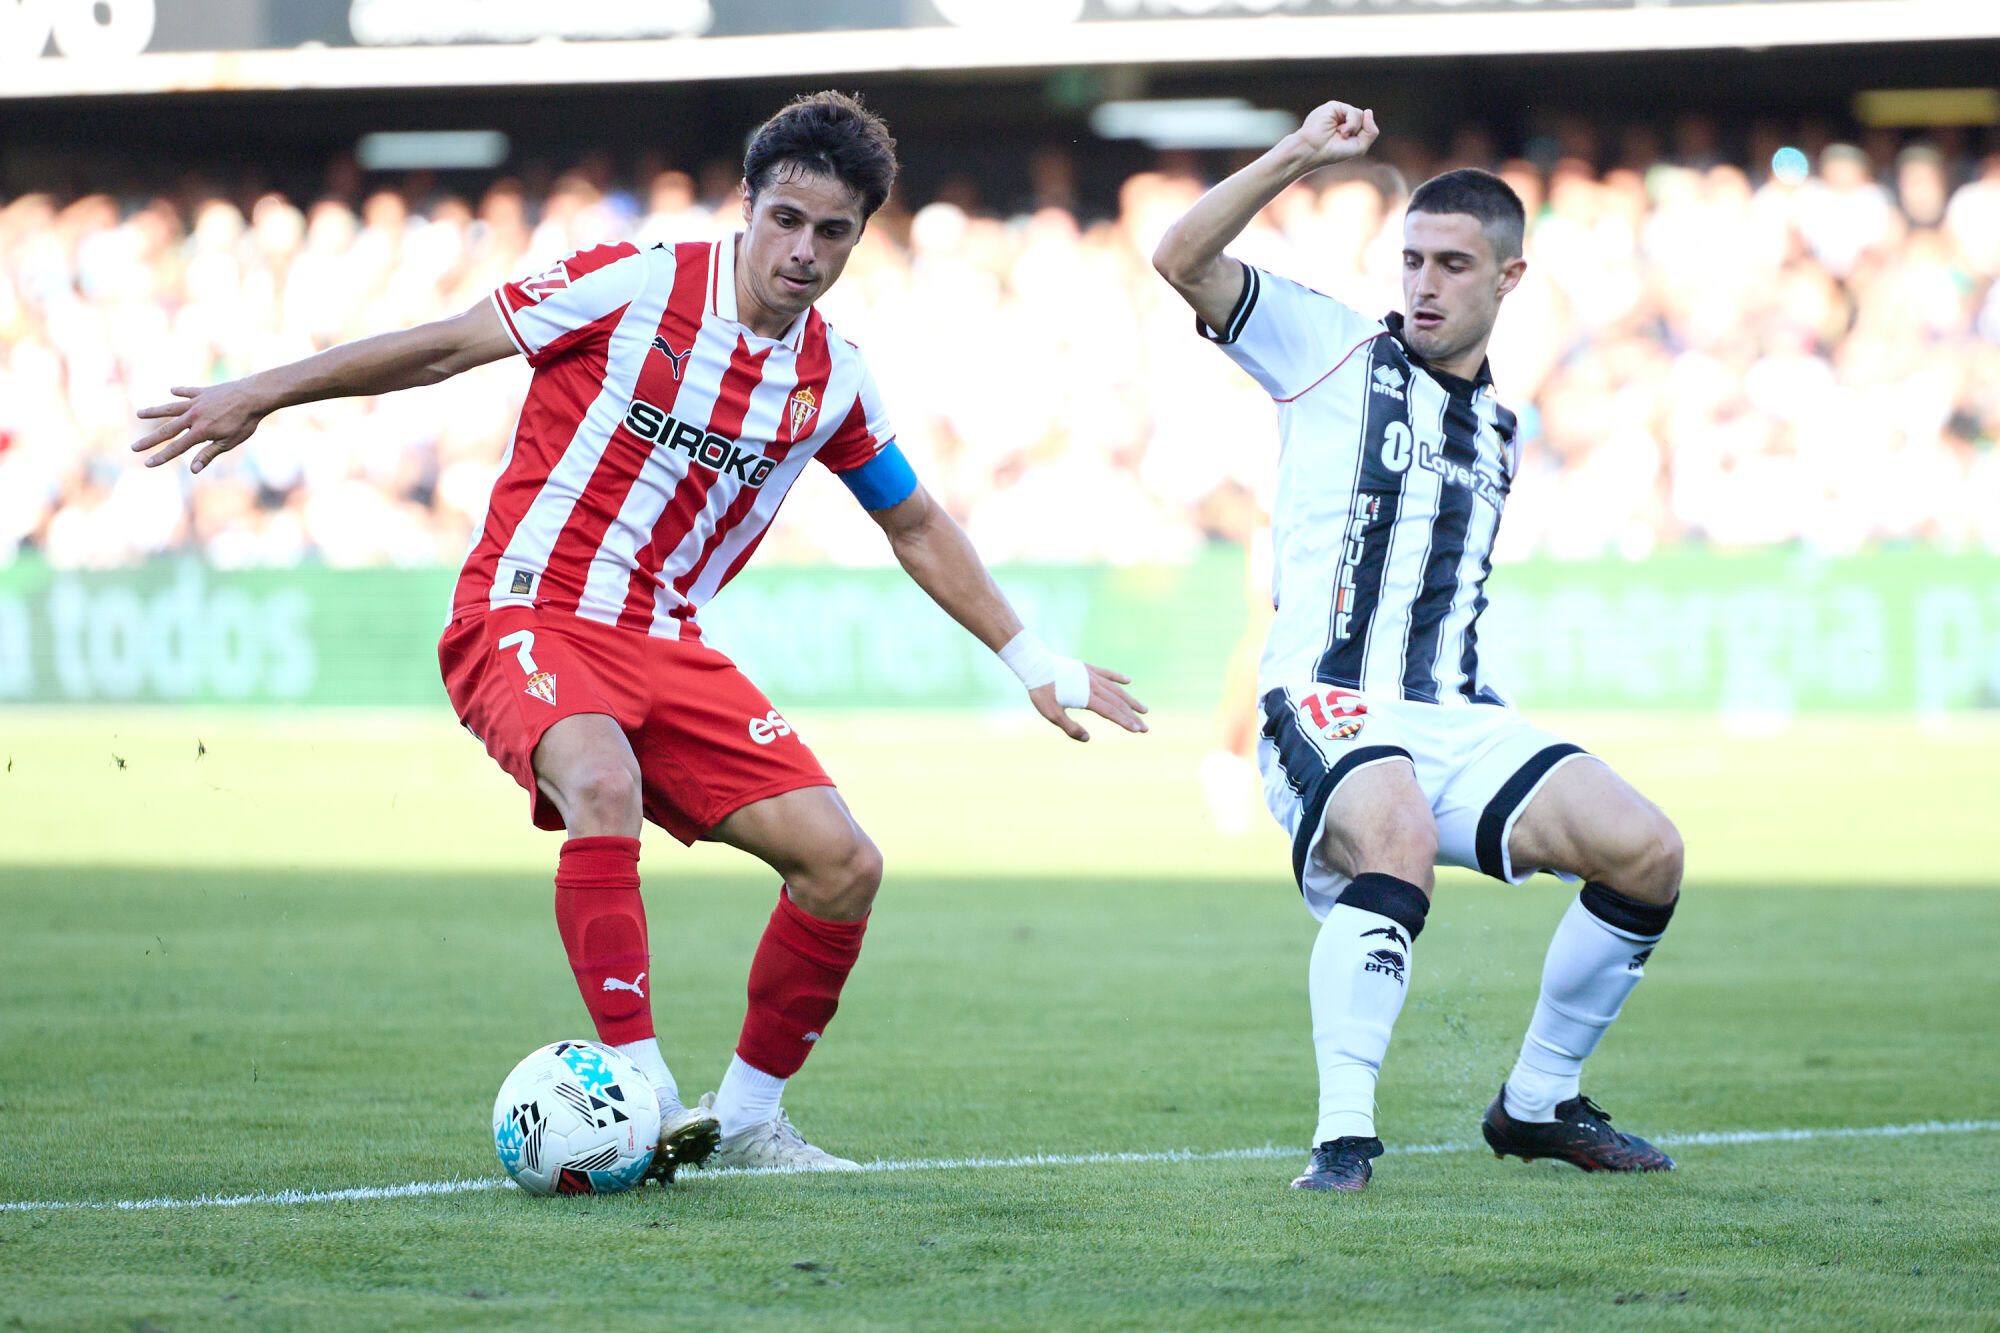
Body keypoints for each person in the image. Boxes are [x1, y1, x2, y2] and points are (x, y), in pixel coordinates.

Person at [131, 91, 1147, 1178]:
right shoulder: (637, 282)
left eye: (833, 232)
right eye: (786, 220)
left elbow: (912, 521)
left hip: (665, 641)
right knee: (600, 783)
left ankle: (751, 1120)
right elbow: (443, 349)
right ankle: (640, 1090)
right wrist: (263, 393)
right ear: (746, 205)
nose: (803, 251)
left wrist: (1034, 661)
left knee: (842, 863)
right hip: (526, 605)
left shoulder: (830, 379)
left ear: (861, 237)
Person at [1152, 99, 1683, 1192]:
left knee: (1645, 852)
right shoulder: (1326, 345)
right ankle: (1342, 1140)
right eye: (1410, 261)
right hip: (1326, 698)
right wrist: (1298, 153)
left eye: (1450, 263)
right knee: (1391, 833)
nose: (1423, 285)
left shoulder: (1498, 431)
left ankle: (1536, 1103)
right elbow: (1179, 255)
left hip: (1450, 711)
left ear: (1508, 280)